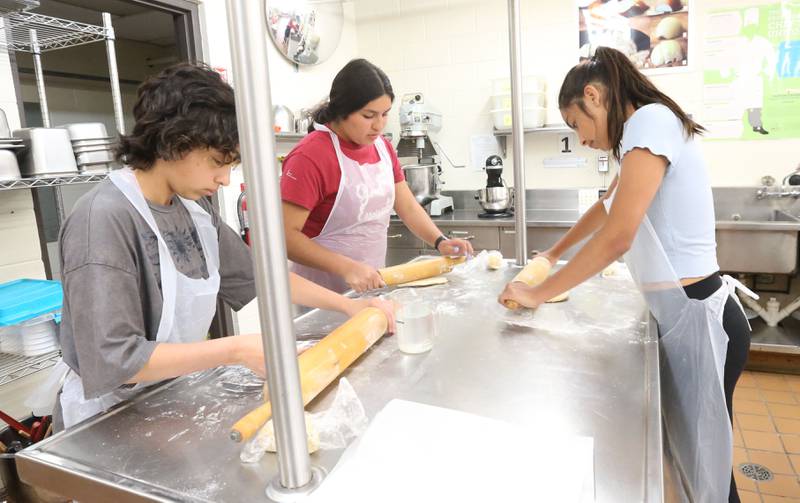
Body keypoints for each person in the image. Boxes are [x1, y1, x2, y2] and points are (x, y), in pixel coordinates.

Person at [47, 63, 393, 431]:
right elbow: (112, 359)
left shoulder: (195, 213)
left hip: (165, 399)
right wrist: (237, 349)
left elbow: (264, 280)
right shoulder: (102, 220)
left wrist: (349, 306)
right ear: (173, 142)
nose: (225, 180)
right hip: (107, 418)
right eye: (217, 162)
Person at [498, 47, 751, 503]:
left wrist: (537, 293)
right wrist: (553, 253)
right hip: (684, 315)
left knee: (707, 475)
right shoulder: (645, 130)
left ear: (593, 96)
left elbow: (618, 236)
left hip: (700, 318)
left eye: (577, 124)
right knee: (694, 467)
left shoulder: (649, 122)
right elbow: (605, 207)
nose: (582, 139)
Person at [280, 59, 473, 294]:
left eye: (385, 114)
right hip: (319, 295)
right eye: (369, 115)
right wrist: (347, 268)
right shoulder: (310, 157)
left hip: (369, 289)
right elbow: (287, 237)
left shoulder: (383, 147)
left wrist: (440, 241)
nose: (379, 125)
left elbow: (407, 206)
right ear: (342, 110)